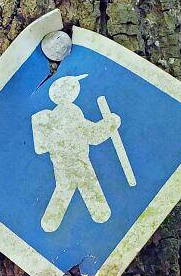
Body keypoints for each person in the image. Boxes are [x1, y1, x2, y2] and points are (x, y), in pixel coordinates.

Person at [32, 75, 121, 232]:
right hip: (79, 161)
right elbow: (93, 134)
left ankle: (50, 223)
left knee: (64, 188)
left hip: (60, 164)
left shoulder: (52, 117)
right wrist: (111, 123)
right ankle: (100, 214)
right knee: (87, 185)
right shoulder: (71, 114)